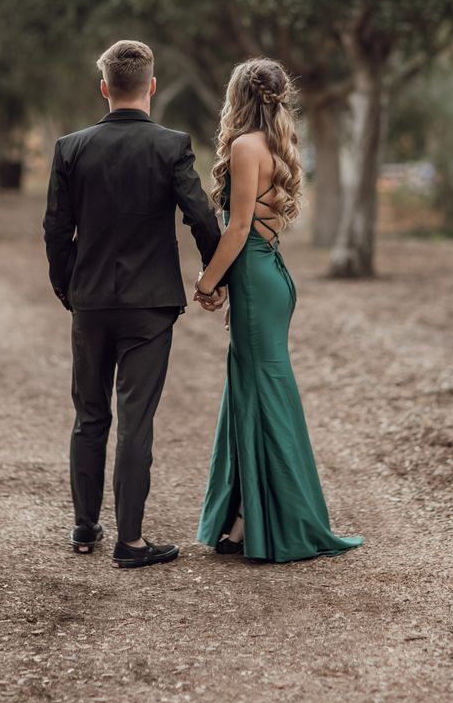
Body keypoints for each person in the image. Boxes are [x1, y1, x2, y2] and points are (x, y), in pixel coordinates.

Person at [43, 40, 226, 569]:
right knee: (135, 421)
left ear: (105, 88)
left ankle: (83, 528)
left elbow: (57, 229)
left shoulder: (70, 148)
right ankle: (131, 541)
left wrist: (67, 288)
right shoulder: (171, 146)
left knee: (89, 415)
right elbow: (200, 217)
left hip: (92, 301)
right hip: (150, 306)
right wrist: (214, 279)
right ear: (150, 86)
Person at [193, 58, 363, 562]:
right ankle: (245, 521)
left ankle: (277, 522)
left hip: (258, 278)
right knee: (255, 392)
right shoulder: (273, 146)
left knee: (263, 393)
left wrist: (206, 281)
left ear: (238, 96)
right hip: (265, 280)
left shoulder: (246, 147)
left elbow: (239, 229)